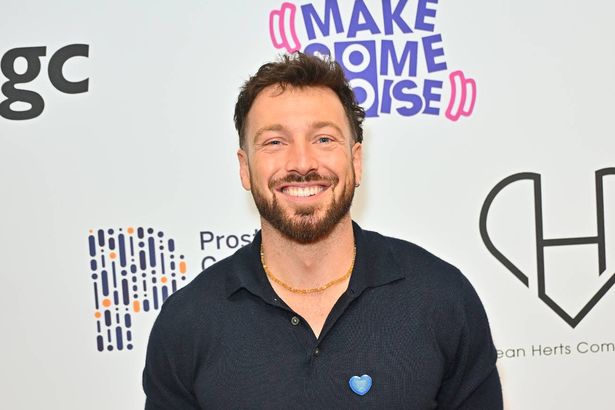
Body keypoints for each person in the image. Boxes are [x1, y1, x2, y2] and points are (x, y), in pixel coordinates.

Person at [143, 52, 503, 409]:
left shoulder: (442, 296)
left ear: (356, 160)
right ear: (244, 168)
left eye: (324, 139)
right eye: (274, 142)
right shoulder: (187, 322)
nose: (302, 163)